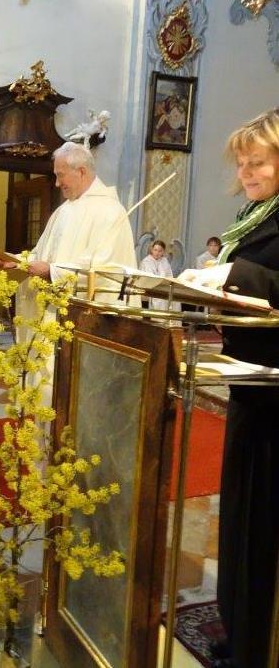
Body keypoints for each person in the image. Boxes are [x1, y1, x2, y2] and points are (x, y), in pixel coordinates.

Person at [179, 108, 279, 668]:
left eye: (257, 162)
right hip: (249, 385)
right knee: (240, 517)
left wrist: (233, 276)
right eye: (241, 164)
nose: (246, 173)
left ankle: (261, 640)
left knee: (264, 526)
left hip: (276, 394)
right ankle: (241, 629)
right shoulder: (254, 216)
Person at [2, 142, 137, 405]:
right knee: (47, 394)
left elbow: (106, 271)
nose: (56, 183)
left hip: (82, 324)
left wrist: (51, 271)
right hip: (50, 317)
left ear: (81, 171)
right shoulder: (63, 211)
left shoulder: (110, 211)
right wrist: (16, 262)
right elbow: (42, 254)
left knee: (74, 397)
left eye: (60, 175)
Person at [139, 239, 179, 311]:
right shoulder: (146, 261)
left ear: (163, 252)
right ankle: (160, 317)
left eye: (160, 251)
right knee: (160, 299)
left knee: (175, 298)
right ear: (152, 250)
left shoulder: (164, 261)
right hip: (151, 286)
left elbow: (169, 275)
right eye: (155, 250)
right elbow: (148, 277)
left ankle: (171, 317)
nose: (157, 253)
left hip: (163, 286)